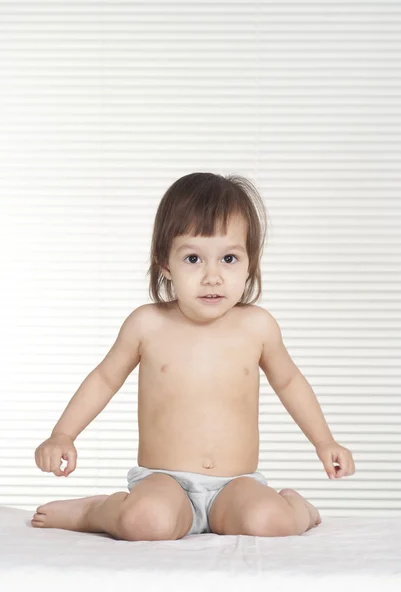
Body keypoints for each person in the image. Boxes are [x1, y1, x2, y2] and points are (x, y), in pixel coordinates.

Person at [32, 172, 355, 540]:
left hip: (235, 484)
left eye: (229, 258)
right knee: (145, 521)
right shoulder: (147, 324)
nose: (212, 276)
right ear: (165, 263)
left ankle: (298, 509)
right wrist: (63, 434)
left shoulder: (258, 328)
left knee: (269, 522)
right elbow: (105, 378)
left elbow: (290, 382)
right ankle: (96, 510)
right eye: (193, 259)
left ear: (250, 262)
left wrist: (324, 441)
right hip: (166, 483)